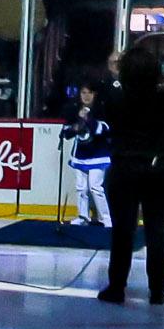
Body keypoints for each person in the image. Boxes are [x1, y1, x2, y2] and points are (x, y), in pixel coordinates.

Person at [97, 51, 164, 305]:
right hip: (158, 169)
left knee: (123, 231)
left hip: (124, 169)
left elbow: (107, 114)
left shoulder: (116, 96)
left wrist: (114, 78)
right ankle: (157, 290)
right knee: (158, 230)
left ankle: (117, 287)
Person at [61, 86, 111, 229]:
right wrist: (74, 128)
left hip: (98, 154)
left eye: (90, 92)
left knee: (95, 187)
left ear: (95, 94)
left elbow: (102, 130)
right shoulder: (74, 110)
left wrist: (87, 119)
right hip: (80, 155)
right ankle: (83, 216)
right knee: (81, 187)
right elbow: (67, 132)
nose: (86, 96)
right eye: (83, 93)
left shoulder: (101, 109)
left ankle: (106, 218)